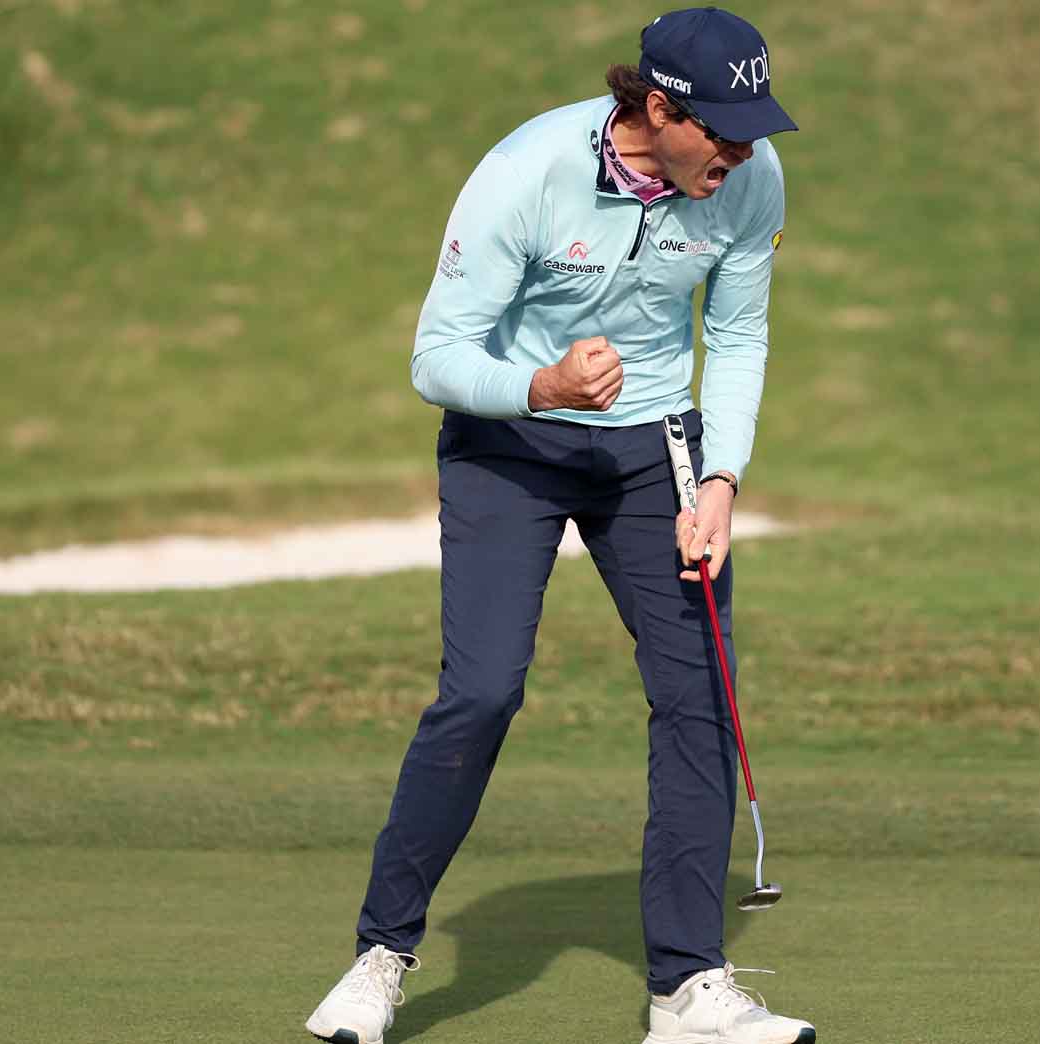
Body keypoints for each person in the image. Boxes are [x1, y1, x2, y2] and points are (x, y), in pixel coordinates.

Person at [303, 8, 813, 1044]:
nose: (743, 150)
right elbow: (436, 358)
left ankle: (686, 988)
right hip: (509, 444)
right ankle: (380, 955)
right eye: (720, 129)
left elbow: (740, 329)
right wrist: (540, 385)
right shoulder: (525, 170)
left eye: (753, 127)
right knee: (483, 690)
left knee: (697, 696)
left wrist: (720, 478)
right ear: (657, 109)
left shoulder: (748, 183)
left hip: (654, 448)